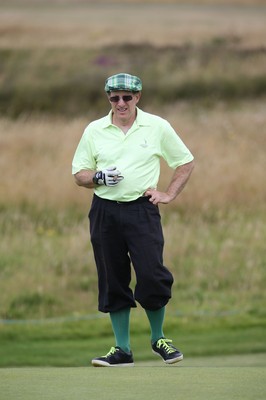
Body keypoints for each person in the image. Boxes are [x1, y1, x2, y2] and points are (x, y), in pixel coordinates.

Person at [72, 73, 194, 367]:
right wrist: (98, 177)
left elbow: (185, 162)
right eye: (115, 98)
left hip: (142, 209)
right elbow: (80, 174)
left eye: (127, 97)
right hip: (105, 210)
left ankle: (158, 338)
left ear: (137, 97)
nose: (121, 103)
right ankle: (122, 349)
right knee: (112, 277)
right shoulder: (94, 130)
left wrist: (168, 194)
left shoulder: (157, 126)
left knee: (152, 274)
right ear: (109, 99)